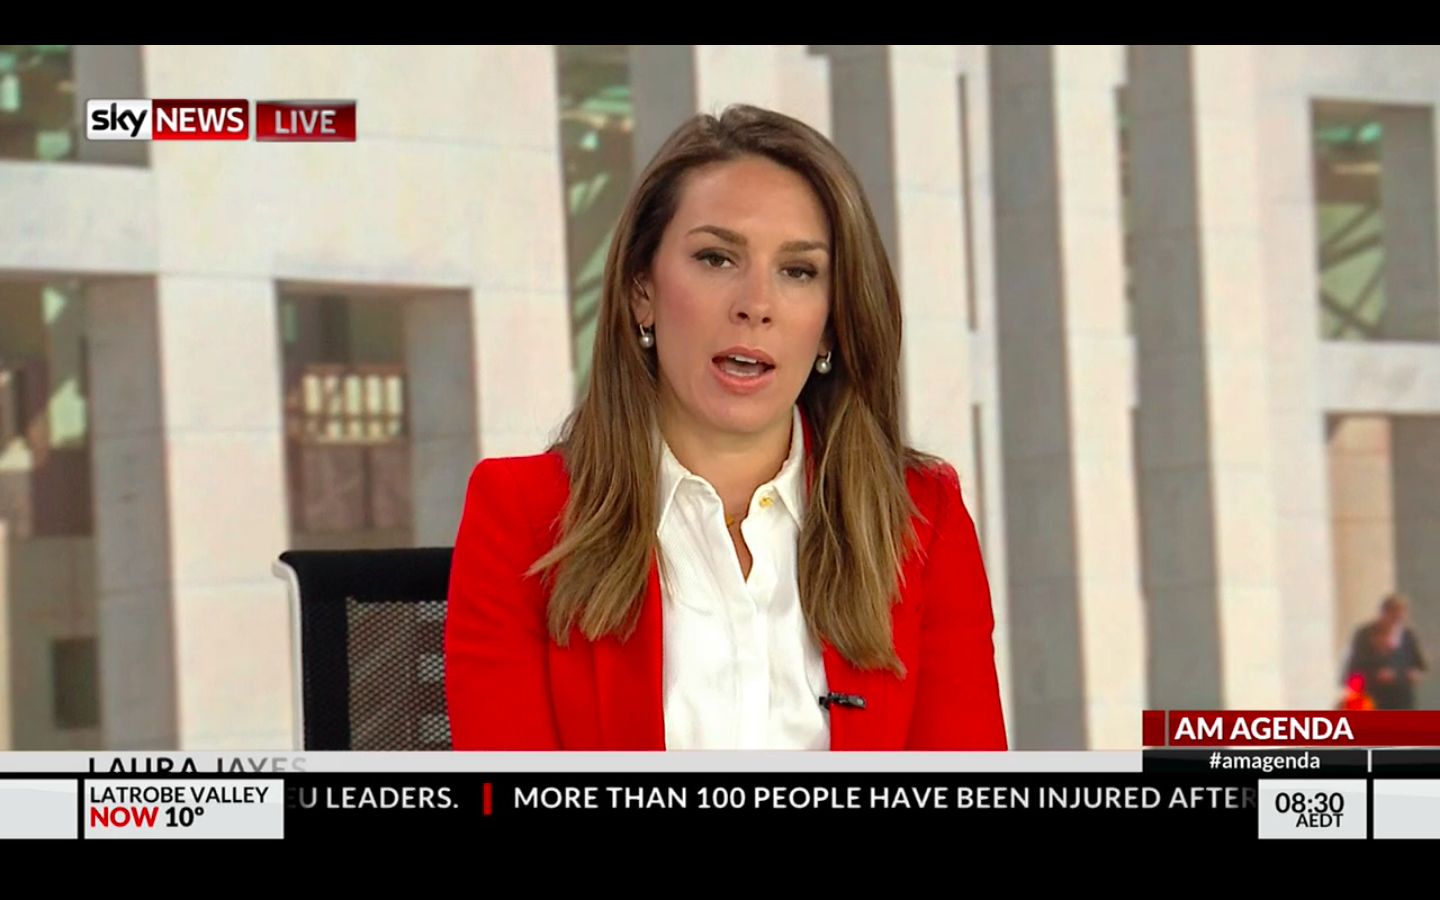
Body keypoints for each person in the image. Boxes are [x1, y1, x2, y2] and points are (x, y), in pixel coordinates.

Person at [444, 104, 1007, 750]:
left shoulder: (921, 520)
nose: (755, 305)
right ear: (641, 292)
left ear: (831, 322)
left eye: (798, 271)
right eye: (716, 259)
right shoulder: (520, 516)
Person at [1343, 593, 1427, 710]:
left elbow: (1419, 665)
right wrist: (1374, 676)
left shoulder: (1407, 635)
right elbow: (1353, 673)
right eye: (1393, 617)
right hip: (1372, 698)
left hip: (1401, 699)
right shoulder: (1364, 635)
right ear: (1384, 614)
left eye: (1400, 619)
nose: (1395, 624)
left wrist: (1413, 674)